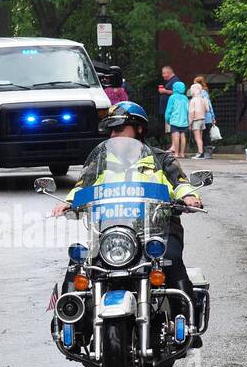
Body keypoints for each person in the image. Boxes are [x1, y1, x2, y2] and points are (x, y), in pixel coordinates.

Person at [49, 101, 203, 334]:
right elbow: (82, 186)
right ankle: (71, 324)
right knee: (78, 263)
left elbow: (180, 184)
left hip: (156, 230)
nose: (113, 135)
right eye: (111, 130)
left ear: (139, 129)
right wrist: (69, 203)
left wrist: (190, 198)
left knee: (171, 259)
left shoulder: (162, 159)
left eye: (119, 129)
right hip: (111, 231)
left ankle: (186, 323)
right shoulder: (100, 161)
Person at [164, 79, 190, 158]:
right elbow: (188, 109)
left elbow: (169, 110)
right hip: (184, 120)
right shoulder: (185, 98)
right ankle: (182, 153)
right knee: (183, 136)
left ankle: (176, 153)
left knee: (176, 136)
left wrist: (167, 119)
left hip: (175, 120)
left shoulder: (172, 97)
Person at [188, 80, 209, 159]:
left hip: (196, 120)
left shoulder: (193, 100)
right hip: (202, 119)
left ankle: (200, 153)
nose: (191, 91)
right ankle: (201, 152)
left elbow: (191, 112)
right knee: (200, 137)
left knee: (197, 138)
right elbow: (207, 109)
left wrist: (190, 123)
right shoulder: (203, 99)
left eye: (192, 90)